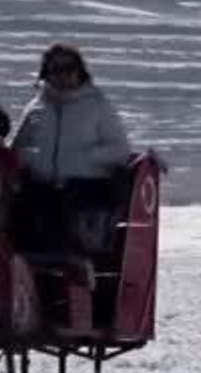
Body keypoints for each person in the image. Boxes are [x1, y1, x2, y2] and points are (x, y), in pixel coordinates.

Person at [7, 43, 132, 268]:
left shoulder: (97, 106)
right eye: (56, 69)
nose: (63, 75)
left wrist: (83, 158)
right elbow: (15, 149)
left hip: (85, 189)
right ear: (47, 73)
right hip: (40, 188)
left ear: (80, 71)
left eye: (69, 68)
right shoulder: (36, 107)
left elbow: (120, 150)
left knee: (64, 219)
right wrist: (31, 158)